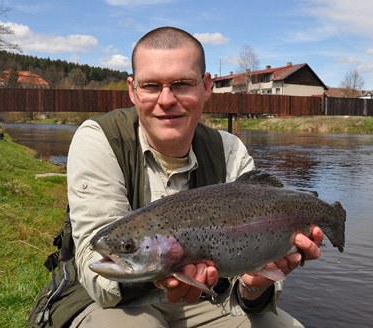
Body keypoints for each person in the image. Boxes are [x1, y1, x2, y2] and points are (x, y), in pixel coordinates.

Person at [67, 26, 324, 327]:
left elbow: (250, 294)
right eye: (151, 85)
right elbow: (95, 271)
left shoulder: (229, 151)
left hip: (208, 299)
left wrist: (256, 285)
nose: (166, 99)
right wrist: (161, 277)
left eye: (181, 84)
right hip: (113, 304)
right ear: (132, 89)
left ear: (206, 87)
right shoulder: (100, 139)